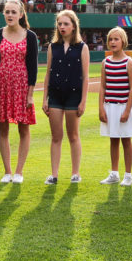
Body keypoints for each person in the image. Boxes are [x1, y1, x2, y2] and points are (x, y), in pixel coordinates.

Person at [0, 0, 38, 184]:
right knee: (3, 127)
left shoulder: (30, 36)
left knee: (23, 127)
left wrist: (30, 94)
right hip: (1, 84)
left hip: (22, 85)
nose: (10, 15)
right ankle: (7, 171)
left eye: (13, 12)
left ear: (21, 15)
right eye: (7, 12)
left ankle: (19, 172)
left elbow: (33, 68)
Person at [42, 10, 89, 184]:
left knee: (73, 135)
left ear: (73, 26)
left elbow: (85, 77)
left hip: (74, 96)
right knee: (56, 136)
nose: (62, 27)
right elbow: (48, 73)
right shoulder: (52, 47)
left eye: (66, 24)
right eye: (60, 24)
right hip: (55, 95)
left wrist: (83, 101)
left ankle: (75, 173)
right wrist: (44, 98)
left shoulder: (82, 47)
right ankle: (54, 175)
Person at [98, 27, 132, 186]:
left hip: (123, 106)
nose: (113, 42)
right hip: (110, 106)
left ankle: (128, 175)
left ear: (123, 41)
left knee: (126, 140)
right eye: (110, 39)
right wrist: (101, 108)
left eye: (116, 39)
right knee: (113, 139)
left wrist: (127, 110)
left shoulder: (128, 62)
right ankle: (114, 173)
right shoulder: (105, 62)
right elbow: (103, 87)